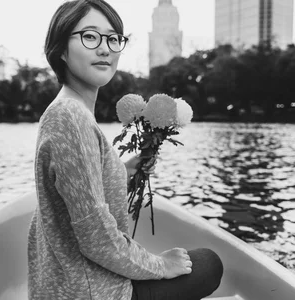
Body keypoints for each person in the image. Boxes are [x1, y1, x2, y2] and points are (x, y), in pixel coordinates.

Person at [28, 0, 223, 299]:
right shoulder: (70, 116)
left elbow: (82, 192)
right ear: (61, 49)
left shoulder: (66, 110)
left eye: (113, 38)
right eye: (90, 36)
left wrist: (124, 169)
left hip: (68, 285)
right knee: (209, 264)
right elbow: (96, 238)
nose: (105, 49)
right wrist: (160, 265)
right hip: (91, 292)